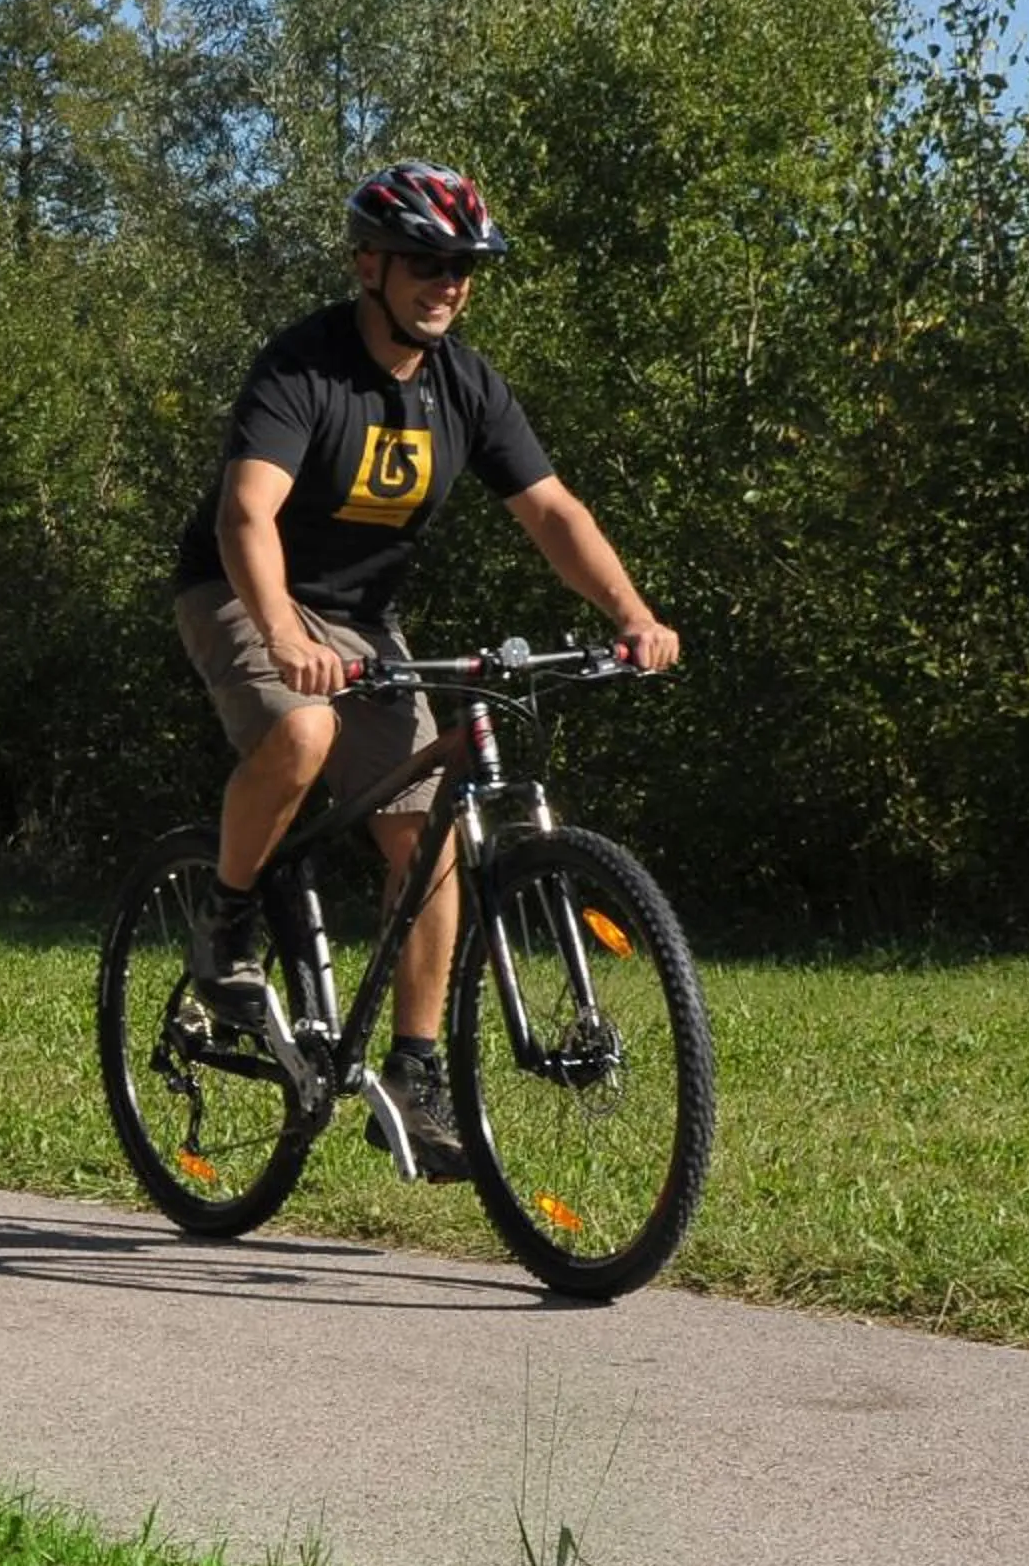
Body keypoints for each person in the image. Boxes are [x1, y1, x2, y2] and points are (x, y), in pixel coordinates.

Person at [169, 162, 680, 1180]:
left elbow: (552, 511)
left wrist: (631, 614)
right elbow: (245, 515)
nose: (447, 284)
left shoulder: (465, 386)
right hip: (242, 590)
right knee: (303, 728)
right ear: (370, 265)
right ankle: (225, 927)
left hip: (364, 621)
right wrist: (279, 634)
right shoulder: (304, 366)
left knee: (427, 832)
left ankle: (414, 1069)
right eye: (426, 263)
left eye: (462, 268)